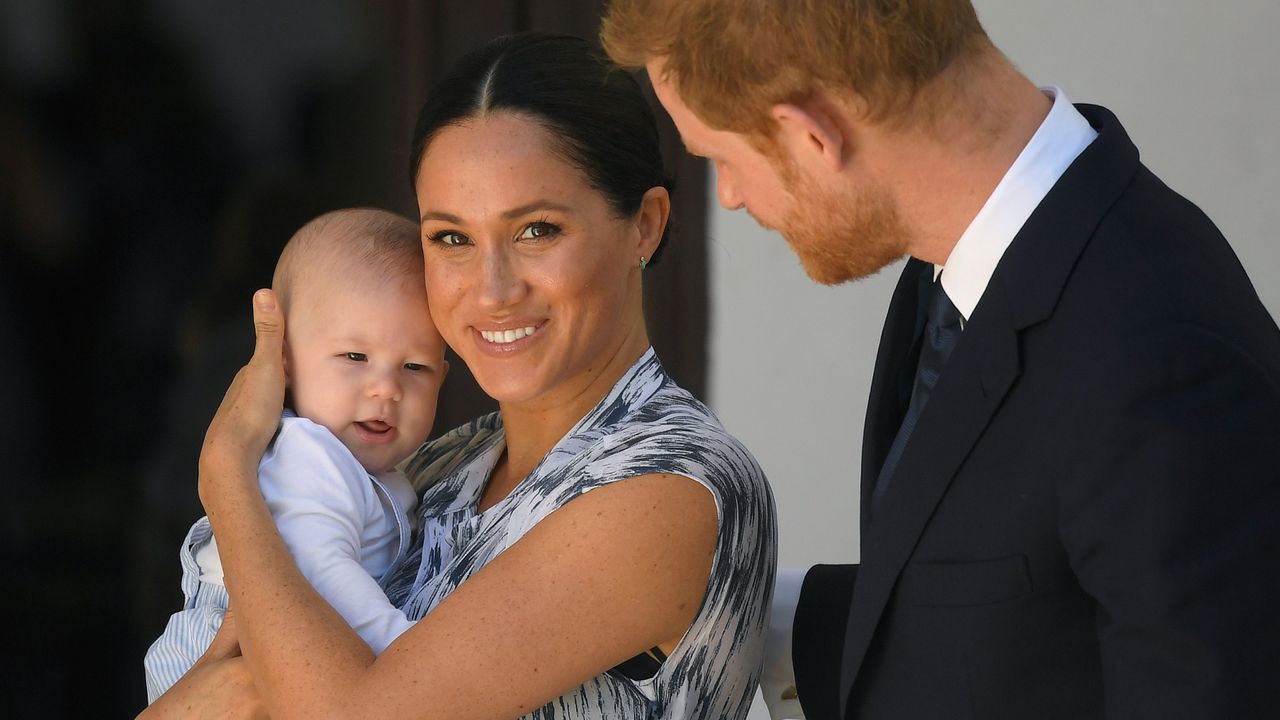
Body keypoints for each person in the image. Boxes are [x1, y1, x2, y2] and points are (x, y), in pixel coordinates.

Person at [601, 1, 1280, 719]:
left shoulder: (1158, 359)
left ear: (811, 136)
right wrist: (716, 609)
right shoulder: (965, 264)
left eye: (718, 159)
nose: (730, 197)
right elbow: (1014, 617)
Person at [140, 33, 776, 720]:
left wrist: (228, 473)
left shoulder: (670, 485)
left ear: (644, 226)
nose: (492, 289)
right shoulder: (441, 465)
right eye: (451, 238)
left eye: (536, 230)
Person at [143, 207, 447, 701]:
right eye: (355, 357)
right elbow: (321, 570)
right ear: (283, 361)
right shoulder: (309, 456)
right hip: (225, 658)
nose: (386, 388)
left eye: (415, 367)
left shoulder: (375, 468)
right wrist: (403, 651)